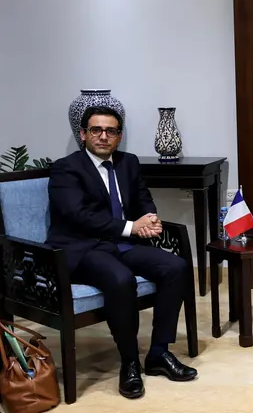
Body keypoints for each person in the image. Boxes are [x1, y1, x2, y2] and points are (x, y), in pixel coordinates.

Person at [47, 106, 198, 399]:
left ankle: (158, 354)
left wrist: (151, 219)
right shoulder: (66, 168)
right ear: (83, 134)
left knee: (177, 267)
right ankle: (129, 362)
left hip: (123, 244)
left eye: (111, 131)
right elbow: (78, 216)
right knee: (120, 279)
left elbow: (143, 198)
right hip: (83, 247)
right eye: (96, 130)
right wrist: (132, 227)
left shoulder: (128, 163)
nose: (103, 136)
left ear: (118, 136)